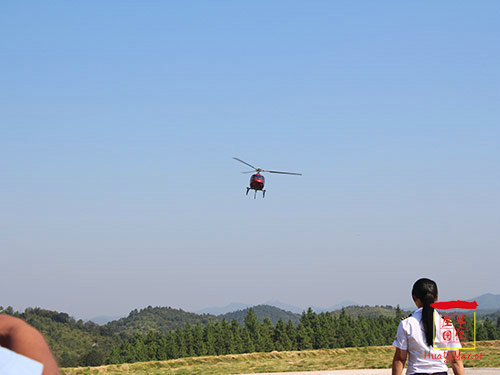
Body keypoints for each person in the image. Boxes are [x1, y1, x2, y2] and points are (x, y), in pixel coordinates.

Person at [392, 278, 465, 375]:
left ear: (414, 298)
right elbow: (455, 360)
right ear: (436, 298)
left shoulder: (407, 324)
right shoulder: (447, 324)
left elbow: (400, 359)